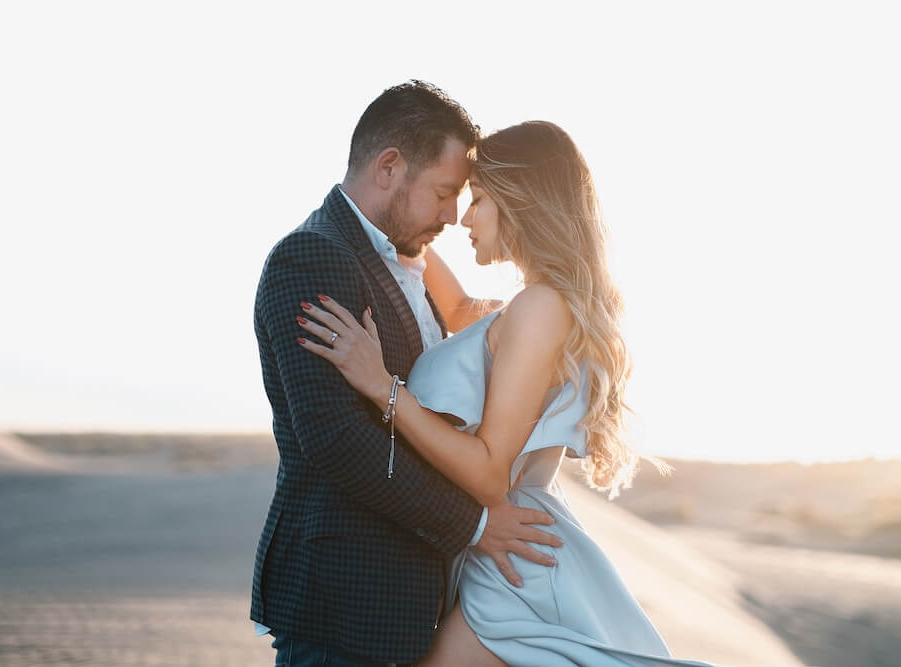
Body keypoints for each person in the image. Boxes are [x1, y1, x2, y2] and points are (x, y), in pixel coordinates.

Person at [296, 120, 719, 666]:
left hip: (513, 557)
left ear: (520, 203)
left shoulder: (540, 309)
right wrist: (386, 216)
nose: (462, 218)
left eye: (478, 201)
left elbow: (493, 470)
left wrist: (384, 390)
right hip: (502, 548)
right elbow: (446, 301)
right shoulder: (521, 309)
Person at [250, 82, 564, 667]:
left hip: (413, 605)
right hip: (345, 602)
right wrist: (473, 523)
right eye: (445, 193)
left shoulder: (406, 257)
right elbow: (338, 442)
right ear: (390, 167)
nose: (452, 215)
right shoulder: (313, 257)